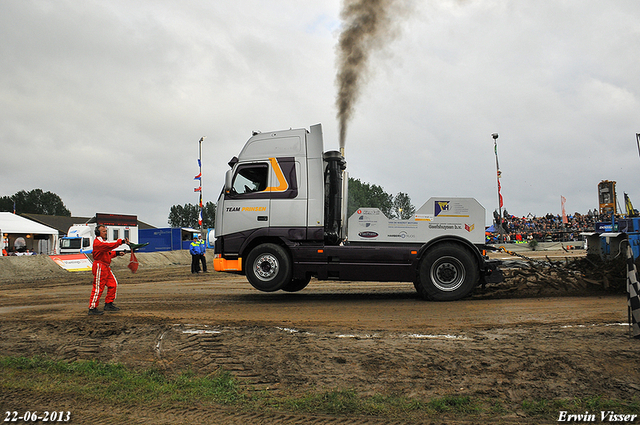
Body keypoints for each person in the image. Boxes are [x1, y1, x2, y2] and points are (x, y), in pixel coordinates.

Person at [88, 225, 129, 315]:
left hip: (105, 266)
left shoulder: (102, 242)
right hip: (100, 266)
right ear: (98, 233)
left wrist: (117, 253)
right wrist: (120, 242)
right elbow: (109, 247)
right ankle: (92, 307)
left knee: (113, 284)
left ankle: (108, 303)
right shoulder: (98, 242)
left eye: (105, 231)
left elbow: (108, 253)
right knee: (98, 288)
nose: (105, 233)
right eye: (103, 231)